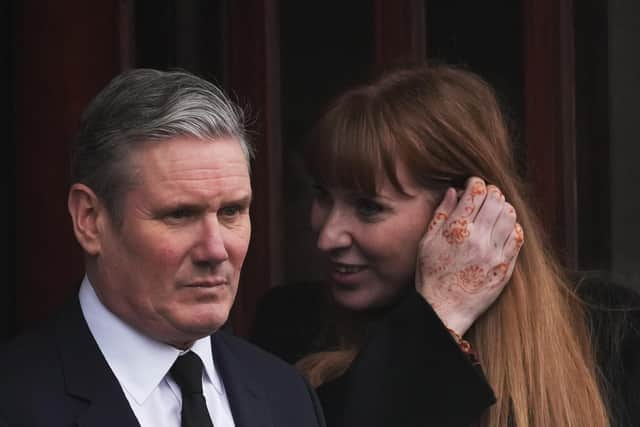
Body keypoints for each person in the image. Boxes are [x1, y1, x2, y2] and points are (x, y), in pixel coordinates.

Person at [251, 64, 640, 426]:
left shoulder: (612, 327)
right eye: (322, 195)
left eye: (369, 207)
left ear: (468, 210)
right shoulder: (289, 327)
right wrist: (439, 313)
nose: (326, 236)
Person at [0, 69, 325, 427]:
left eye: (231, 212)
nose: (215, 250)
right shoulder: (16, 400)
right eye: (179, 215)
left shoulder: (286, 395)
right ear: (90, 219)